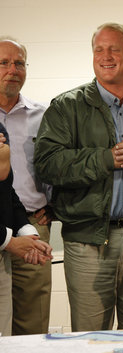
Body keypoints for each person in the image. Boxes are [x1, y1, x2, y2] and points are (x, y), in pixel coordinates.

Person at [34, 23, 123, 332]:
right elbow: (48, 164)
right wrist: (104, 159)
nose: (106, 56)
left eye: (114, 49)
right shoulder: (66, 107)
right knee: (90, 337)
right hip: (88, 240)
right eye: (99, 49)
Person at [0, 37, 52, 335]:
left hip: (31, 225)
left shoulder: (42, 116)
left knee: (32, 321)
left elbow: (54, 167)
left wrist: (54, 206)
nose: (12, 69)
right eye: (4, 62)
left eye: (19, 63)